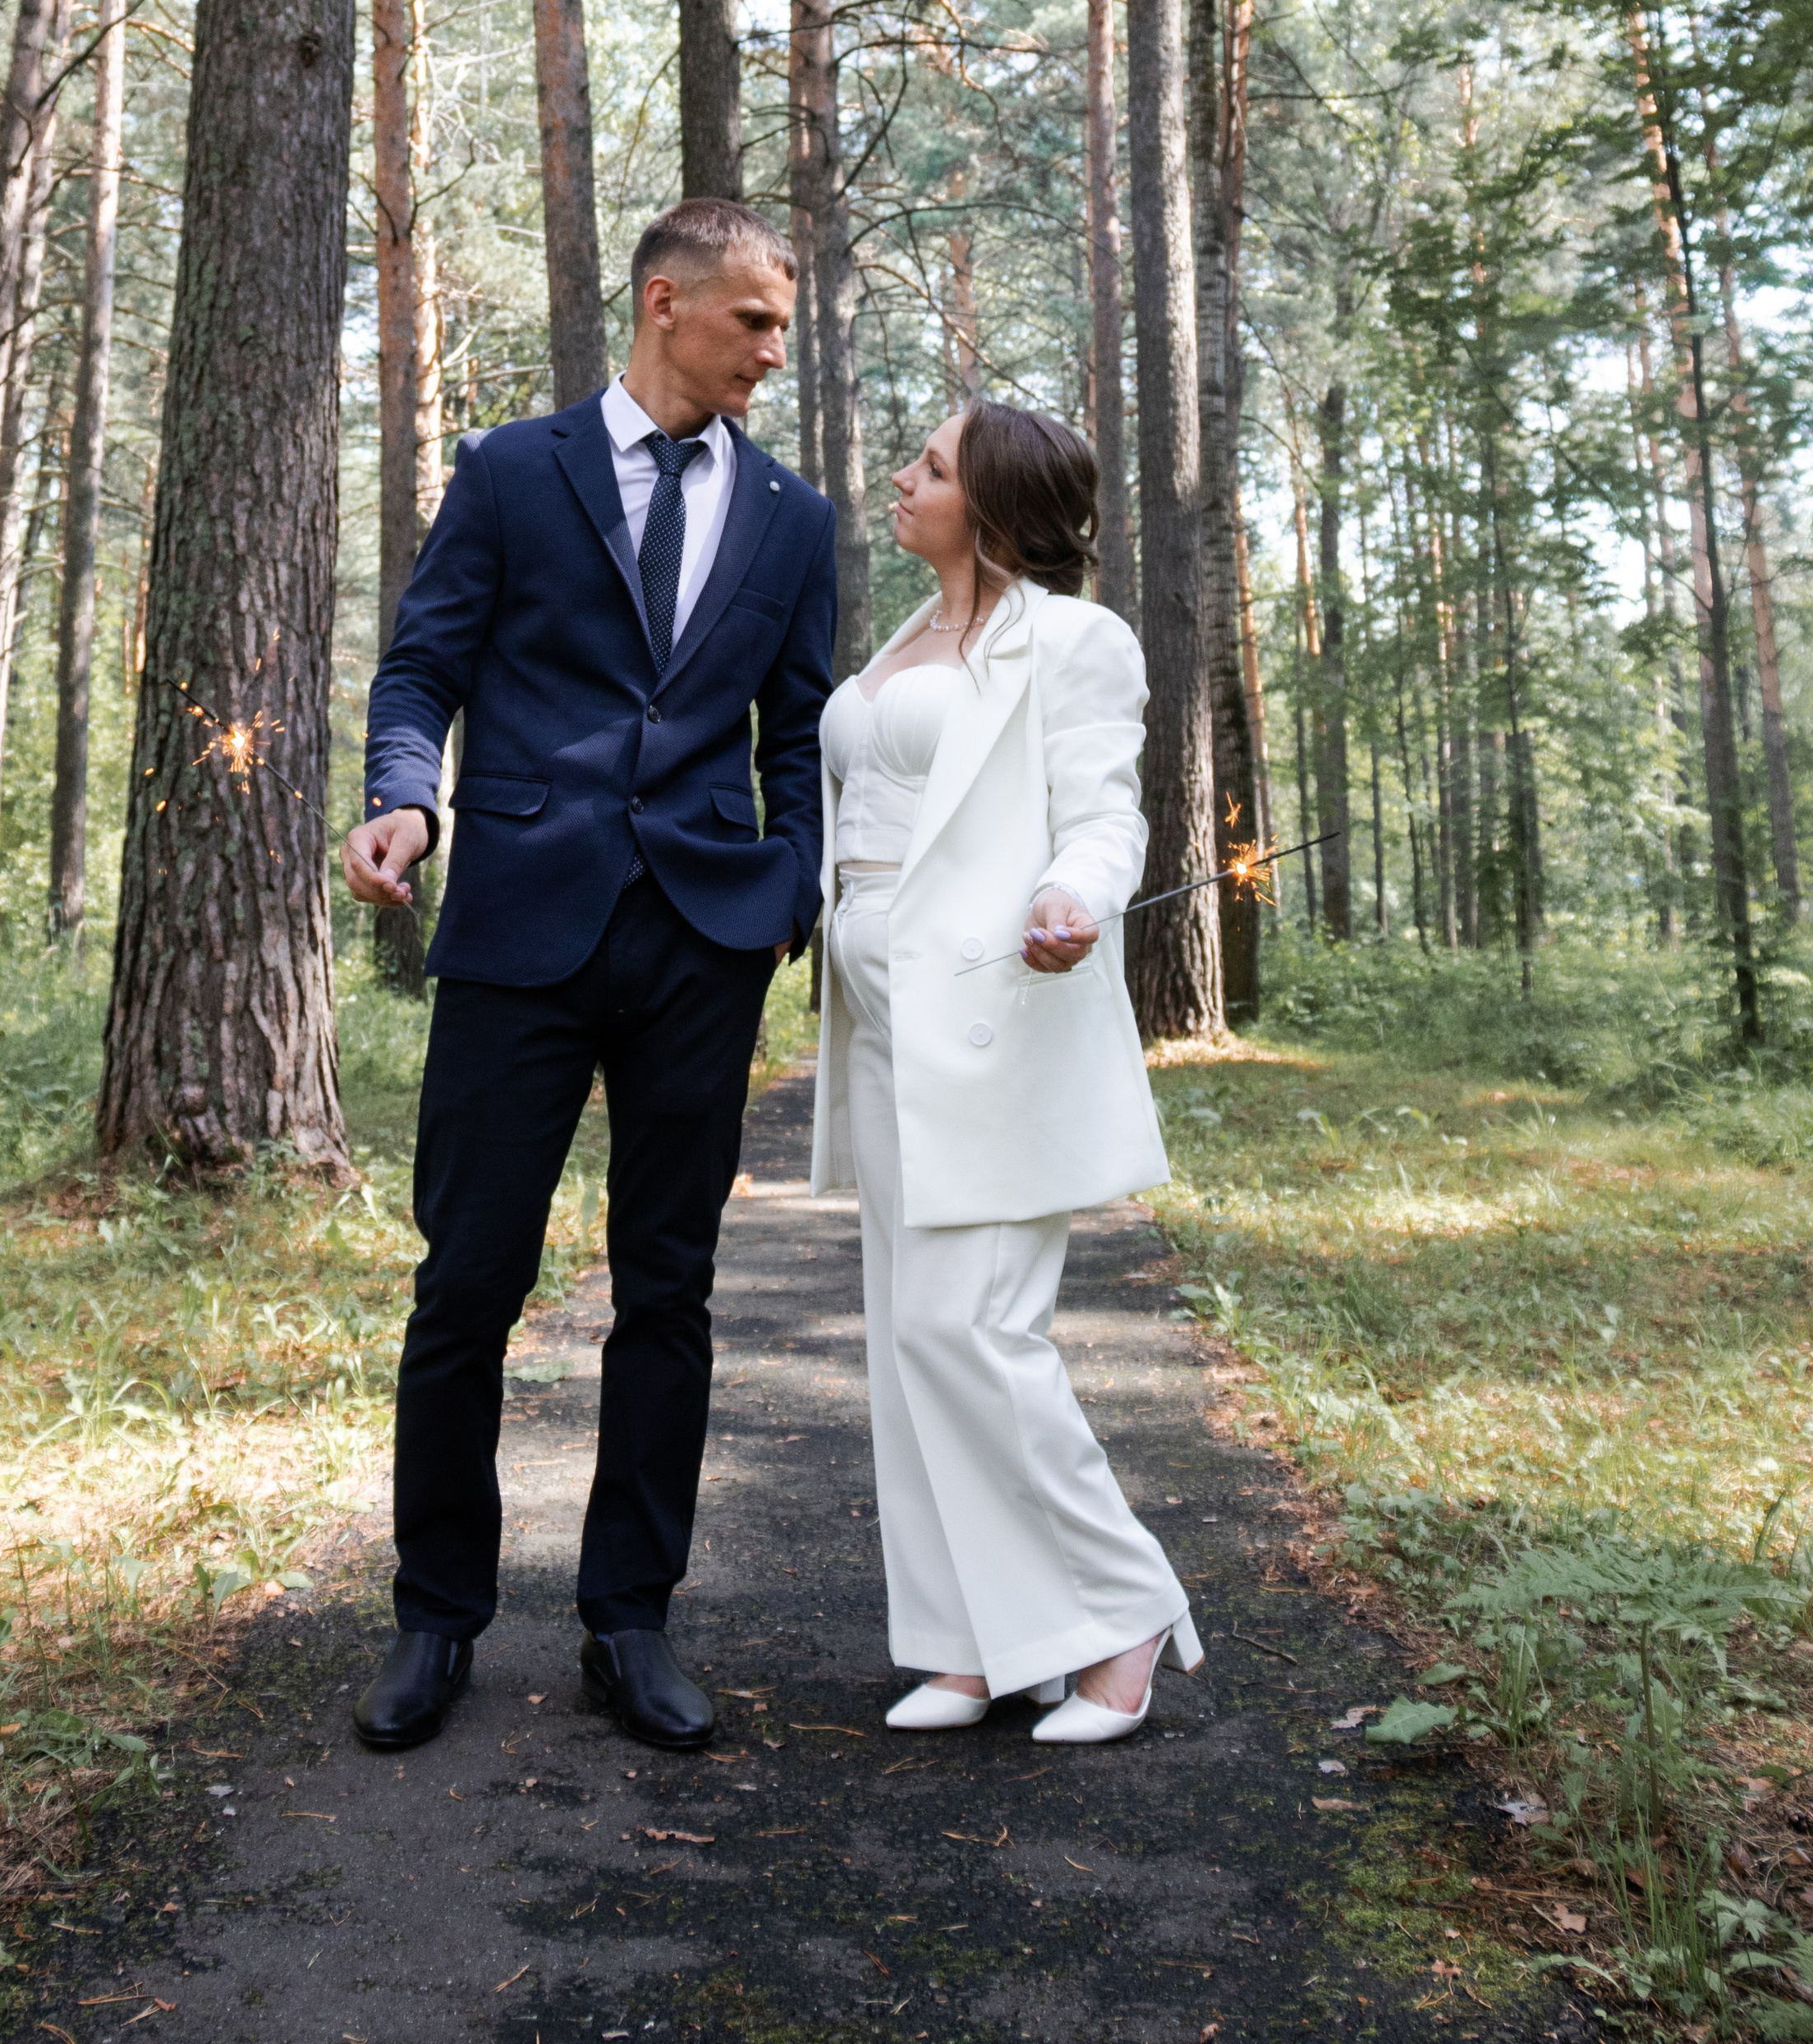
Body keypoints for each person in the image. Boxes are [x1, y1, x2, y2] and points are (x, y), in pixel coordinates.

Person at [342, 199, 837, 1757]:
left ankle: (631, 1621)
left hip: (703, 944)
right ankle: (438, 1621)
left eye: (784, 323)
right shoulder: (508, 472)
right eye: (752, 318)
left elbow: (803, 731)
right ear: (664, 302)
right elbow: (423, 662)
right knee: (466, 1284)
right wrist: (407, 795)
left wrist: (790, 888)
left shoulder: (796, 520)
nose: (775, 348)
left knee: (669, 1292)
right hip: (518, 932)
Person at [812, 397, 1200, 1744]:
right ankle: (968, 1641)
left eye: (929, 466)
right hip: (883, 1024)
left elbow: (1106, 812)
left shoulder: (1075, 640)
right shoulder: (903, 639)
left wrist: (1073, 896)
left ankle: (1122, 1608)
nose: (903, 479)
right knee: (909, 1341)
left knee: (974, 1333)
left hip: (996, 1016)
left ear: (993, 504)